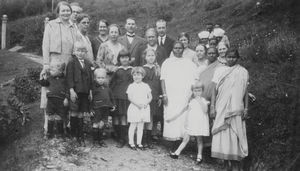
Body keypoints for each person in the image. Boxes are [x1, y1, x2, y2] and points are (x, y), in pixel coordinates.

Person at [40, 1, 75, 137]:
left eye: (68, 10)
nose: (66, 13)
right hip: (54, 62)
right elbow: (45, 45)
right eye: (63, 10)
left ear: (70, 12)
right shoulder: (51, 25)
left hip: (68, 62)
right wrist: (46, 64)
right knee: (50, 92)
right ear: (58, 12)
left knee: (65, 92)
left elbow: (77, 45)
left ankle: (64, 126)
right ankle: (47, 126)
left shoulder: (73, 26)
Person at [210, 49, 249, 170]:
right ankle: (226, 164)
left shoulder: (243, 71)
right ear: (225, 57)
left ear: (238, 58)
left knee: (235, 134)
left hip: (236, 108)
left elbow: (246, 91)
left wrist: (246, 108)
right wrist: (212, 106)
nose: (231, 59)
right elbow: (213, 90)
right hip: (221, 107)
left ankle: (236, 165)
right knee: (222, 134)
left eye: (234, 57)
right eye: (229, 57)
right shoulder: (219, 71)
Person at [160, 41, 197, 146]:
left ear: (183, 49)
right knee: (170, 115)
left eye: (180, 48)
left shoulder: (189, 63)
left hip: (183, 95)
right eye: (175, 48)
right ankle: (171, 141)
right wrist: (164, 94)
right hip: (171, 95)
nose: (177, 50)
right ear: (172, 49)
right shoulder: (167, 62)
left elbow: (194, 80)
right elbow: (162, 79)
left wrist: (191, 95)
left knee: (182, 117)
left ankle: (181, 140)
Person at [168, 81, 210, 165]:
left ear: (202, 91)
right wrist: (185, 121)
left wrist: (200, 101)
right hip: (192, 122)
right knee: (186, 138)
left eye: (199, 90)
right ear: (193, 91)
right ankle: (176, 153)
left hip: (199, 123)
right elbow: (187, 112)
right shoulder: (191, 101)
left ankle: (199, 156)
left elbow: (205, 111)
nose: (197, 92)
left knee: (199, 139)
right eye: (195, 90)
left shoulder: (203, 100)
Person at [66, 41, 93, 146]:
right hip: (76, 92)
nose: (80, 53)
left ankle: (80, 136)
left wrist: (90, 90)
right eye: (78, 50)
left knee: (81, 113)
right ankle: (73, 135)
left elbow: (90, 78)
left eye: (82, 50)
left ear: (85, 52)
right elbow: (69, 77)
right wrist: (71, 90)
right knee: (74, 112)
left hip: (85, 92)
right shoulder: (72, 62)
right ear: (74, 51)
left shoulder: (88, 63)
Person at [110, 49, 133, 148]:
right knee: (116, 117)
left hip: (126, 97)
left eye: (126, 57)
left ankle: (122, 138)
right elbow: (111, 84)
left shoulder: (132, 70)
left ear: (129, 58)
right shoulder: (117, 70)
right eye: (122, 57)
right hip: (117, 96)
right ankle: (117, 134)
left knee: (124, 117)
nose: (124, 59)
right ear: (119, 59)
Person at [39, 62, 68, 139]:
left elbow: (67, 89)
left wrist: (66, 98)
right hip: (51, 101)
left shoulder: (64, 79)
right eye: (50, 70)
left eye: (53, 70)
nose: (50, 71)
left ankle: (61, 134)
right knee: (50, 117)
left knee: (60, 117)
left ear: (60, 71)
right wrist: (42, 78)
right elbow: (44, 84)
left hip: (60, 101)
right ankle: (49, 133)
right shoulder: (50, 78)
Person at [127, 67, 152, 150]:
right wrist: (137, 104)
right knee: (133, 125)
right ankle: (131, 142)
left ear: (142, 76)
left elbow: (150, 97)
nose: (136, 77)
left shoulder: (146, 86)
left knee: (141, 126)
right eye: (134, 75)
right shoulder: (131, 86)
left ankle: (139, 143)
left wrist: (146, 103)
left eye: (138, 75)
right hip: (134, 107)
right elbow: (130, 97)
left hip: (143, 108)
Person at [142, 49, 163, 145]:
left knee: (151, 117)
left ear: (155, 57)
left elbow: (159, 84)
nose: (151, 57)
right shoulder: (142, 69)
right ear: (145, 57)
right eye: (148, 55)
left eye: (152, 55)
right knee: (144, 117)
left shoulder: (157, 69)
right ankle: (142, 138)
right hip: (144, 96)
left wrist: (160, 96)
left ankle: (148, 139)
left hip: (154, 96)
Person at [91, 68, 116, 147]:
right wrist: (90, 109)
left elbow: (111, 97)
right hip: (97, 108)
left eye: (102, 78)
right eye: (98, 78)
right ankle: (95, 141)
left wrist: (113, 105)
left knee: (102, 124)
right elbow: (91, 100)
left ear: (105, 78)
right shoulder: (94, 88)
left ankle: (100, 140)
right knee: (96, 124)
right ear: (95, 78)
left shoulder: (107, 88)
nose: (101, 80)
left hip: (105, 109)